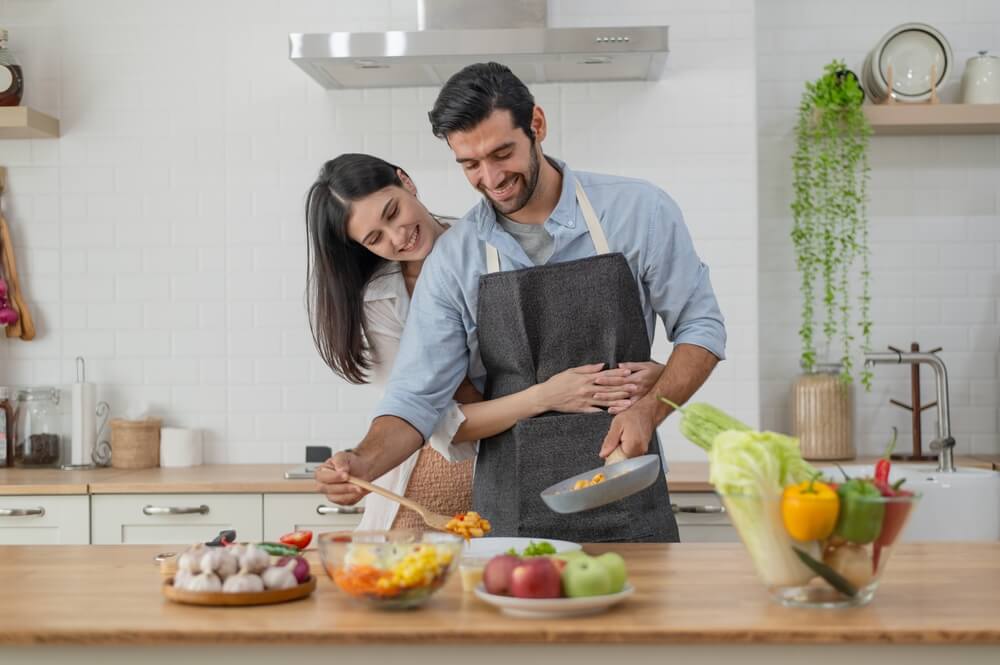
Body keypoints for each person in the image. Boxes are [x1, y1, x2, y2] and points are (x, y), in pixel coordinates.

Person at [316, 62, 726, 542]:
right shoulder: (456, 256)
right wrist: (363, 458)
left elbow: (701, 326)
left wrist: (650, 409)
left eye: (502, 153)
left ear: (537, 125)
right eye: (469, 164)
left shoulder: (639, 211)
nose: (491, 177)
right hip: (510, 514)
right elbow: (415, 397)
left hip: (627, 488)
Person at [304, 153, 664, 531]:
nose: (398, 237)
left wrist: (650, 372)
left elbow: (566, 348)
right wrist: (544, 396)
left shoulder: (491, 241)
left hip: (532, 464)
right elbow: (436, 419)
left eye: (393, 212)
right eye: (375, 238)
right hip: (428, 482)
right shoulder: (380, 304)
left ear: (406, 181)